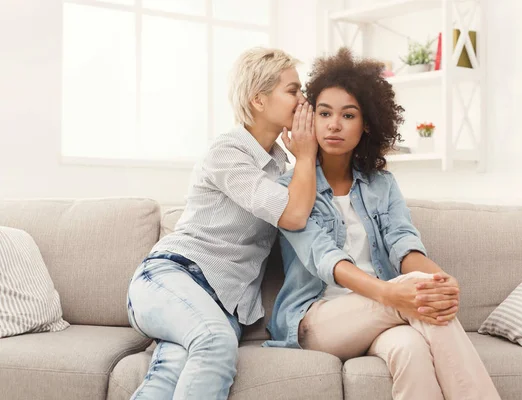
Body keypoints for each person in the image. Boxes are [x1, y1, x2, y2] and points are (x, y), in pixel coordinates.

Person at [265, 48, 501, 400]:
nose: (333, 124)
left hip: (380, 313)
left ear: (367, 125)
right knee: (418, 293)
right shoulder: (289, 189)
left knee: (410, 349)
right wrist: (393, 293)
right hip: (316, 320)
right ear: (309, 120)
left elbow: (403, 244)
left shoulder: (381, 183)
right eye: (324, 113)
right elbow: (325, 258)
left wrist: (440, 279)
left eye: (348, 115)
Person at [126, 47, 318, 400]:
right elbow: (293, 214)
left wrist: (304, 159)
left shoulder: (277, 166)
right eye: (292, 90)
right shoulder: (227, 152)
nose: (303, 99)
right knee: (214, 342)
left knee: (170, 374)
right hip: (171, 279)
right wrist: (306, 155)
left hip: (221, 306)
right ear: (258, 100)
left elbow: (301, 212)